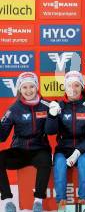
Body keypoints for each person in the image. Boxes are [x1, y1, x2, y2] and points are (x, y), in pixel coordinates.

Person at [45, 71, 85, 209]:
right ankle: (61, 201)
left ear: (82, 87)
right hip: (63, 149)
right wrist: (52, 116)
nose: (73, 89)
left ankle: (83, 200)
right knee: (58, 164)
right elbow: (50, 131)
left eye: (76, 85)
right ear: (65, 88)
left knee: (84, 162)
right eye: (69, 85)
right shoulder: (59, 106)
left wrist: (78, 151)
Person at [0, 72, 52, 212]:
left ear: (37, 87)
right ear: (19, 90)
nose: (29, 91)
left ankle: (38, 202)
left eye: (32, 86)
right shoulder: (14, 109)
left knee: (46, 159)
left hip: (39, 149)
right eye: (24, 87)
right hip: (20, 151)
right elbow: (2, 136)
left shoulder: (47, 105)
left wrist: (54, 115)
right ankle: (8, 201)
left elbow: (53, 129)